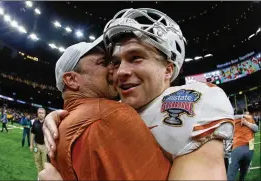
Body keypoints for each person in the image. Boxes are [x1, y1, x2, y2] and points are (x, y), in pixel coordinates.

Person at [41, 8, 234, 180]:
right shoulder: (109, 113)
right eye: (115, 62)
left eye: (136, 58)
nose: (120, 71)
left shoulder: (195, 101)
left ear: (168, 70)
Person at [41, 37, 171, 180]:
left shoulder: (61, 126)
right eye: (103, 63)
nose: (115, 69)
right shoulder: (111, 115)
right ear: (72, 80)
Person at [227, 110, 259, 181]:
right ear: (243, 112)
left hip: (237, 147)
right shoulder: (249, 118)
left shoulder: (233, 120)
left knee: (231, 174)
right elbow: (256, 129)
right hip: (249, 148)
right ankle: (248, 165)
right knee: (243, 174)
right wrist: (246, 121)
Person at [30, 108, 47, 174]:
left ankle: (45, 176)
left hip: (45, 146)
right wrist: (31, 145)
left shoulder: (47, 123)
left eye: (42, 113)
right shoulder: (35, 122)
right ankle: (40, 175)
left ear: (45, 114)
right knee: (37, 161)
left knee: (45, 163)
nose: (41, 114)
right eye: (39, 113)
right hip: (36, 145)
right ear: (37, 114)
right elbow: (32, 133)